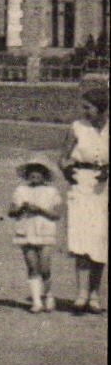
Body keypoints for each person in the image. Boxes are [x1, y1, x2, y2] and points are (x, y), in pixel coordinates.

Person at [58, 87, 108, 313]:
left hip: (104, 188)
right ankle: (80, 294)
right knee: (81, 240)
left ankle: (95, 295)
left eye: (88, 108)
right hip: (81, 186)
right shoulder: (77, 128)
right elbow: (63, 158)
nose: (84, 111)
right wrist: (68, 173)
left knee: (100, 241)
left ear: (102, 108)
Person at [9, 161, 62, 313]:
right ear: (26, 174)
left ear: (45, 175)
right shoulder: (20, 190)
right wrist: (21, 209)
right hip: (26, 230)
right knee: (32, 267)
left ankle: (48, 295)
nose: (35, 175)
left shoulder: (51, 192)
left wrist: (39, 210)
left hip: (45, 231)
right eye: (31, 172)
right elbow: (11, 212)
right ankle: (37, 301)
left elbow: (56, 214)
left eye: (38, 172)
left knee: (45, 267)